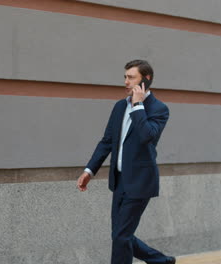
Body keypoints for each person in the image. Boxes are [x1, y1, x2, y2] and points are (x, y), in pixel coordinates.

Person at [76, 60, 175, 264]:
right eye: (125, 77)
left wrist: (138, 105)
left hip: (140, 182)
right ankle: (161, 261)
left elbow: (147, 135)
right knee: (121, 235)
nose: (126, 82)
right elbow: (107, 142)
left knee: (121, 236)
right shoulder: (120, 106)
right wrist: (89, 170)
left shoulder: (159, 109)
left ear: (146, 80)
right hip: (120, 181)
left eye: (131, 77)